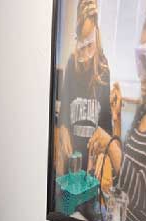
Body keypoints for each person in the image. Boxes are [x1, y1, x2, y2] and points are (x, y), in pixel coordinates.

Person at [87, 13, 146, 221]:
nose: (142, 72)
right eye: (140, 60)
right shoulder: (144, 111)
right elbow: (128, 166)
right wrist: (116, 119)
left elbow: (143, 193)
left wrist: (110, 145)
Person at [55, 0, 113, 179]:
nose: (86, 55)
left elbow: (106, 123)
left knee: (88, 206)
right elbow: (64, 110)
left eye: (90, 45)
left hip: (91, 167)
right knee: (67, 204)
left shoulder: (103, 69)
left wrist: (102, 154)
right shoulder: (72, 64)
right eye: (82, 45)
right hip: (70, 164)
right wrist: (63, 130)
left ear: (97, 36)